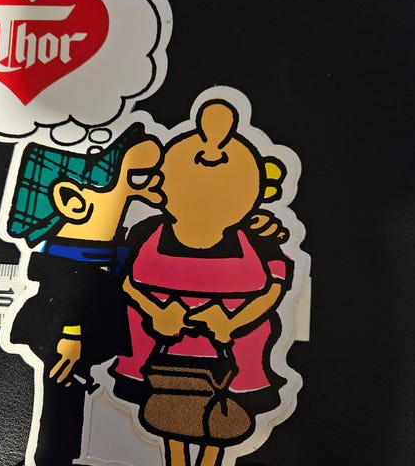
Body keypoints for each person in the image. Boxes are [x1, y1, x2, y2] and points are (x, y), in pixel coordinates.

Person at [112, 100, 294, 466]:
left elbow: (274, 289)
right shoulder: (146, 232)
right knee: (168, 410)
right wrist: (156, 312)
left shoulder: (258, 241)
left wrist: (233, 322)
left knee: (221, 419)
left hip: (233, 352)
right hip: (156, 346)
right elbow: (125, 281)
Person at [6, 124, 164, 466]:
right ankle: (54, 456)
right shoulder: (69, 258)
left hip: (85, 336)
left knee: (73, 391)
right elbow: (68, 296)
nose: (133, 192)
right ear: (72, 201)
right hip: (67, 337)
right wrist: (69, 333)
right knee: (62, 393)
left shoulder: (104, 253)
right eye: (127, 182)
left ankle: (63, 453)